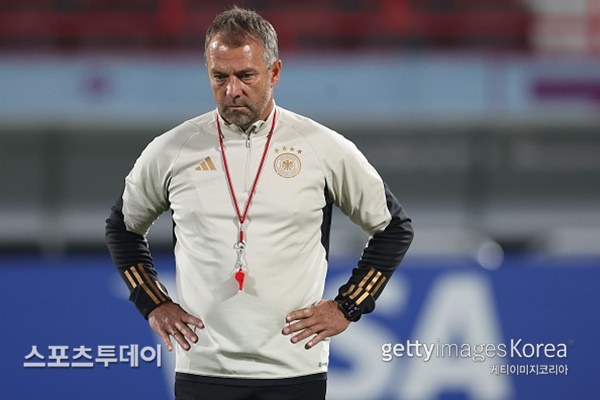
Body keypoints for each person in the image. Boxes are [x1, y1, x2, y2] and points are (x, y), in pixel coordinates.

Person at [105, 6, 413, 400]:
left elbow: (393, 228)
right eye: (219, 76)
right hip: (203, 369)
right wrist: (153, 303)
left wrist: (348, 305)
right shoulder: (173, 150)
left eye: (246, 75)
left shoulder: (321, 148)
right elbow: (123, 228)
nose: (232, 90)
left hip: (295, 370)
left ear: (275, 72)